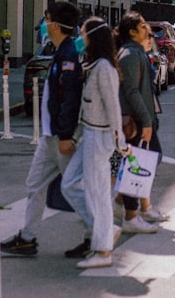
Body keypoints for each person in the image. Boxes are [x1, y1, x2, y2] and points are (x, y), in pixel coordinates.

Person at [1, 1, 86, 257]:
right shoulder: (62, 51)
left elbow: (71, 99)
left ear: (56, 25)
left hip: (59, 137)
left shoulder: (69, 55)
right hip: (49, 136)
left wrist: (67, 135)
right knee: (34, 184)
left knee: (73, 188)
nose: (43, 25)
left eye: (47, 20)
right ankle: (27, 237)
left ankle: (100, 232)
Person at [60, 16, 125, 269]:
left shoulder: (104, 68)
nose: (80, 37)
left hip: (100, 137)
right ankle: (105, 231)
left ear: (93, 37)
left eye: (84, 33)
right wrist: (76, 136)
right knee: (70, 184)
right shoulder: (93, 64)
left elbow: (113, 106)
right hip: (89, 133)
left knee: (98, 194)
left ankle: (103, 250)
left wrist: (119, 140)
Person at [115, 12, 166, 233]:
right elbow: (132, 92)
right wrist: (146, 121)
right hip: (136, 120)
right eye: (143, 25)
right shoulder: (130, 54)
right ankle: (130, 214)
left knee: (144, 162)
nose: (148, 29)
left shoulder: (137, 52)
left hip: (141, 118)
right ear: (132, 31)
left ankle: (130, 206)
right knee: (137, 165)